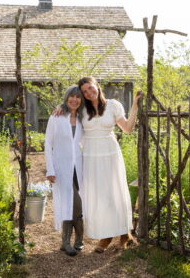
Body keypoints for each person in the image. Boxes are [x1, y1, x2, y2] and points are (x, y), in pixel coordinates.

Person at [55, 77, 141, 253]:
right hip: (90, 154)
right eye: (84, 91)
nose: (88, 93)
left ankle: (124, 233)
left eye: (90, 88)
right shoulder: (82, 109)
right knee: (99, 195)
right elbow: (69, 107)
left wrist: (135, 106)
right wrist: (59, 107)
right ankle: (106, 234)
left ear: (97, 86)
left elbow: (127, 128)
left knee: (115, 191)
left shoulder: (113, 105)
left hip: (110, 152)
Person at [45, 85, 84, 257]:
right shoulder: (57, 117)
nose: (74, 100)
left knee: (80, 204)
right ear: (67, 98)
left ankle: (77, 241)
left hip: (81, 168)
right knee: (71, 203)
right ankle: (67, 241)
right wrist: (50, 169)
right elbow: (47, 143)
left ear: (81, 100)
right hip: (62, 167)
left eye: (78, 97)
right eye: (71, 96)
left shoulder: (84, 118)